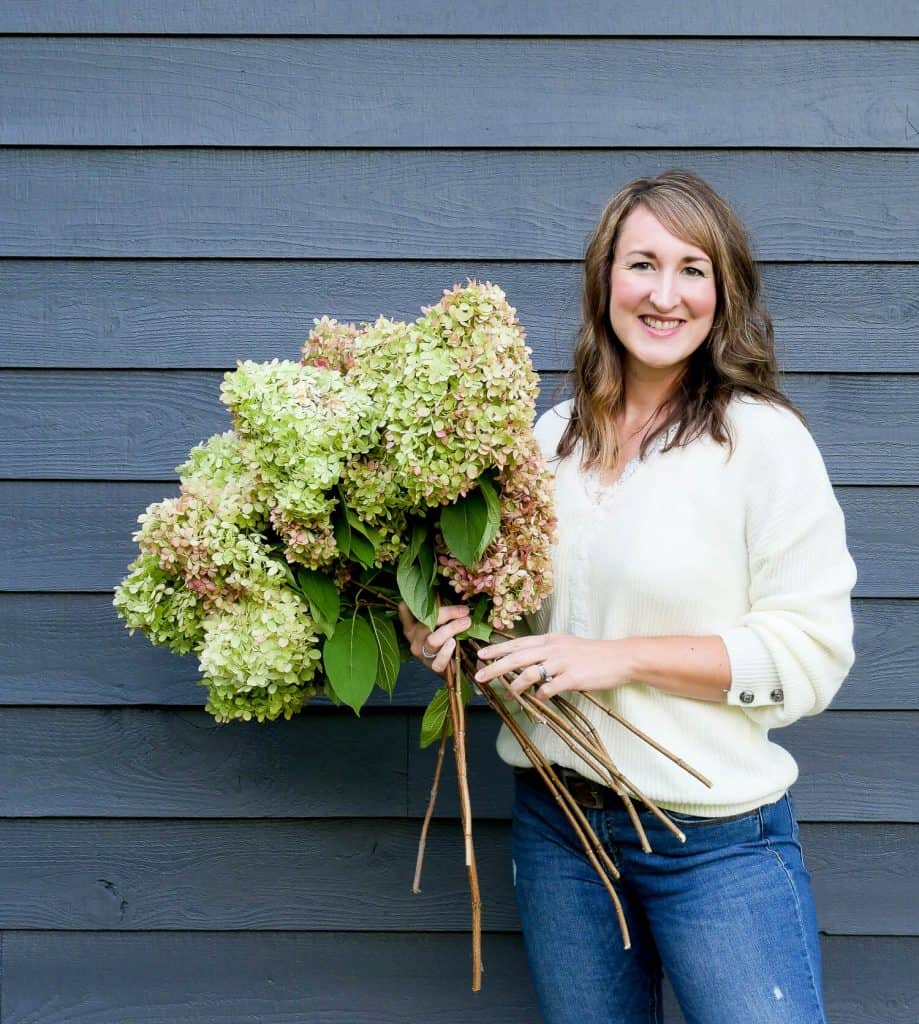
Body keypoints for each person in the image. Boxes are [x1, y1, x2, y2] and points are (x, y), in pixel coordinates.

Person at [398, 169, 856, 1024]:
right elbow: (517, 625)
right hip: (559, 829)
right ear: (604, 279)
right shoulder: (548, 441)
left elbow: (812, 659)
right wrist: (446, 629)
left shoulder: (763, 443)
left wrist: (612, 660)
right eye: (641, 263)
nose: (664, 293)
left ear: (723, 297)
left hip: (714, 845)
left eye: (692, 269)